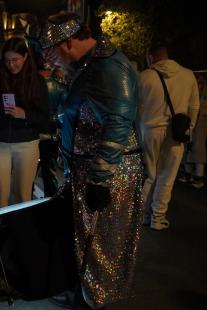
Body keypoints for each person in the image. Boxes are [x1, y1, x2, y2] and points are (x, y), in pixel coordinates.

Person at [40, 12, 143, 309]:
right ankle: (85, 294)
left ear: (68, 42)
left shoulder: (108, 66)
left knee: (101, 246)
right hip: (90, 167)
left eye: (51, 52)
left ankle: (94, 302)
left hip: (110, 172)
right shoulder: (90, 65)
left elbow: (118, 123)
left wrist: (100, 179)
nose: (50, 60)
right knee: (87, 242)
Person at [138, 45, 199, 230]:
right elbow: (194, 106)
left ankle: (142, 216)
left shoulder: (144, 77)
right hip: (176, 132)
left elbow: (136, 108)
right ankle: (158, 218)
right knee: (167, 177)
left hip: (149, 131)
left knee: (149, 175)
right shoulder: (188, 75)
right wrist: (190, 128)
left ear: (151, 57)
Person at [0, 36, 49, 208]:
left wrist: (25, 114)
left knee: (22, 195)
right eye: (7, 61)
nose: (11, 65)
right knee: (0, 195)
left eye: (15, 60)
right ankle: (0, 229)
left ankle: (19, 231)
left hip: (27, 143)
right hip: (0, 142)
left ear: (25, 57)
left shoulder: (37, 81)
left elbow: (44, 118)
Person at [181, 73, 207, 188]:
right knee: (186, 149)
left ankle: (198, 178)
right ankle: (188, 174)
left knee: (199, 150)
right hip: (188, 123)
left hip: (201, 125)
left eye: (199, 83)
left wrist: (202, 112)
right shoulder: (188, 94)